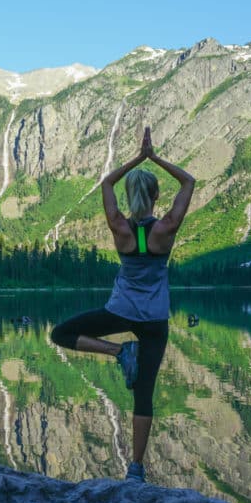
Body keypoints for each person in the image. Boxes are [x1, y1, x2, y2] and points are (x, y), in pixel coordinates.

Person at [50, 127, 195, 482]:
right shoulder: (166, 228)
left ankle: (117, 352)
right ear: (157, 195)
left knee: (61, 333)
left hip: (121, 310)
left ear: (130, 195)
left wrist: (137, 158)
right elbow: (189, 182)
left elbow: (105, 184)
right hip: (155, 319)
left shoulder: (120, 228)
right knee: (144, 394)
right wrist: (154, 156)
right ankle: (136, 469)